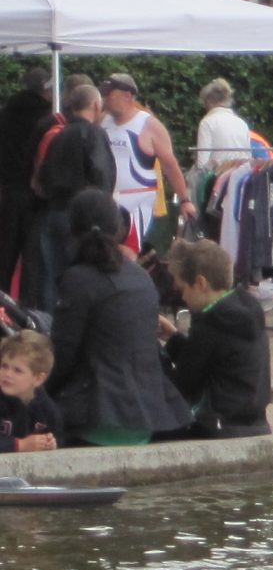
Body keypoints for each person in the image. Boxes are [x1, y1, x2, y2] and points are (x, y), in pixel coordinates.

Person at [49, 190, 190, 444]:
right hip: (148, 416)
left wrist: (36, 393)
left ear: (71, 229)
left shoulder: (78, 279)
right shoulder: (141, 277)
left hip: (97, 417)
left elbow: (62, 355)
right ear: (118, 229)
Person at [158, 238, 271, 437]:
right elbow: (209, 359)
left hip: (217, 426)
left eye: (183, 289)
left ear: (201, 283)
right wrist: (174, 338)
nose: (183, 298)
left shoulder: (210, 323)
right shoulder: (248, 309)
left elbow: (183, 382)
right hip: (255, 424)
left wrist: (156, 355)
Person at [31, 82, 116, 313]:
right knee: (82, 277)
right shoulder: (93, 133)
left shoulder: (58, 134)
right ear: (96, 105)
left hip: (53, 213)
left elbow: (43, 174)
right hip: (81, 218)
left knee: (53, 278)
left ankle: (50, 325)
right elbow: (102, 174)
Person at [101, 73, 191, 251]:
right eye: (104, 94)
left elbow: (170, 165)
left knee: (128, 253)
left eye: (110, 94)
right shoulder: (102, 121)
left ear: (128, 96)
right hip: (107, 200)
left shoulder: (149, 125)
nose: (106, 99)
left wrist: (185, 200)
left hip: (137, 201)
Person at [0, 66, 52, 302]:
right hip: (33, 194)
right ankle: (27, 307)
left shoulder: (6, 113)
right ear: (46, 90)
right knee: (32, 256)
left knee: (6, 253)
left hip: (7, 191)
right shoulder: (48, 119)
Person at [0, 330, 63, 453]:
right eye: (4, 366)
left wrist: (50, 444)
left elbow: (59, 444)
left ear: (38, 378)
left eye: (17, 370)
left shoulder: (47, 412)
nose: (7, 374)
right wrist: (19, 445)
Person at [192, 78, 254, 182]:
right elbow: (248, 157)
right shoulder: (242, 124)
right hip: (242, 179)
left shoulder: (207, 123)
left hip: (218, 179)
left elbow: (202, 164)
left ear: (208, 102)